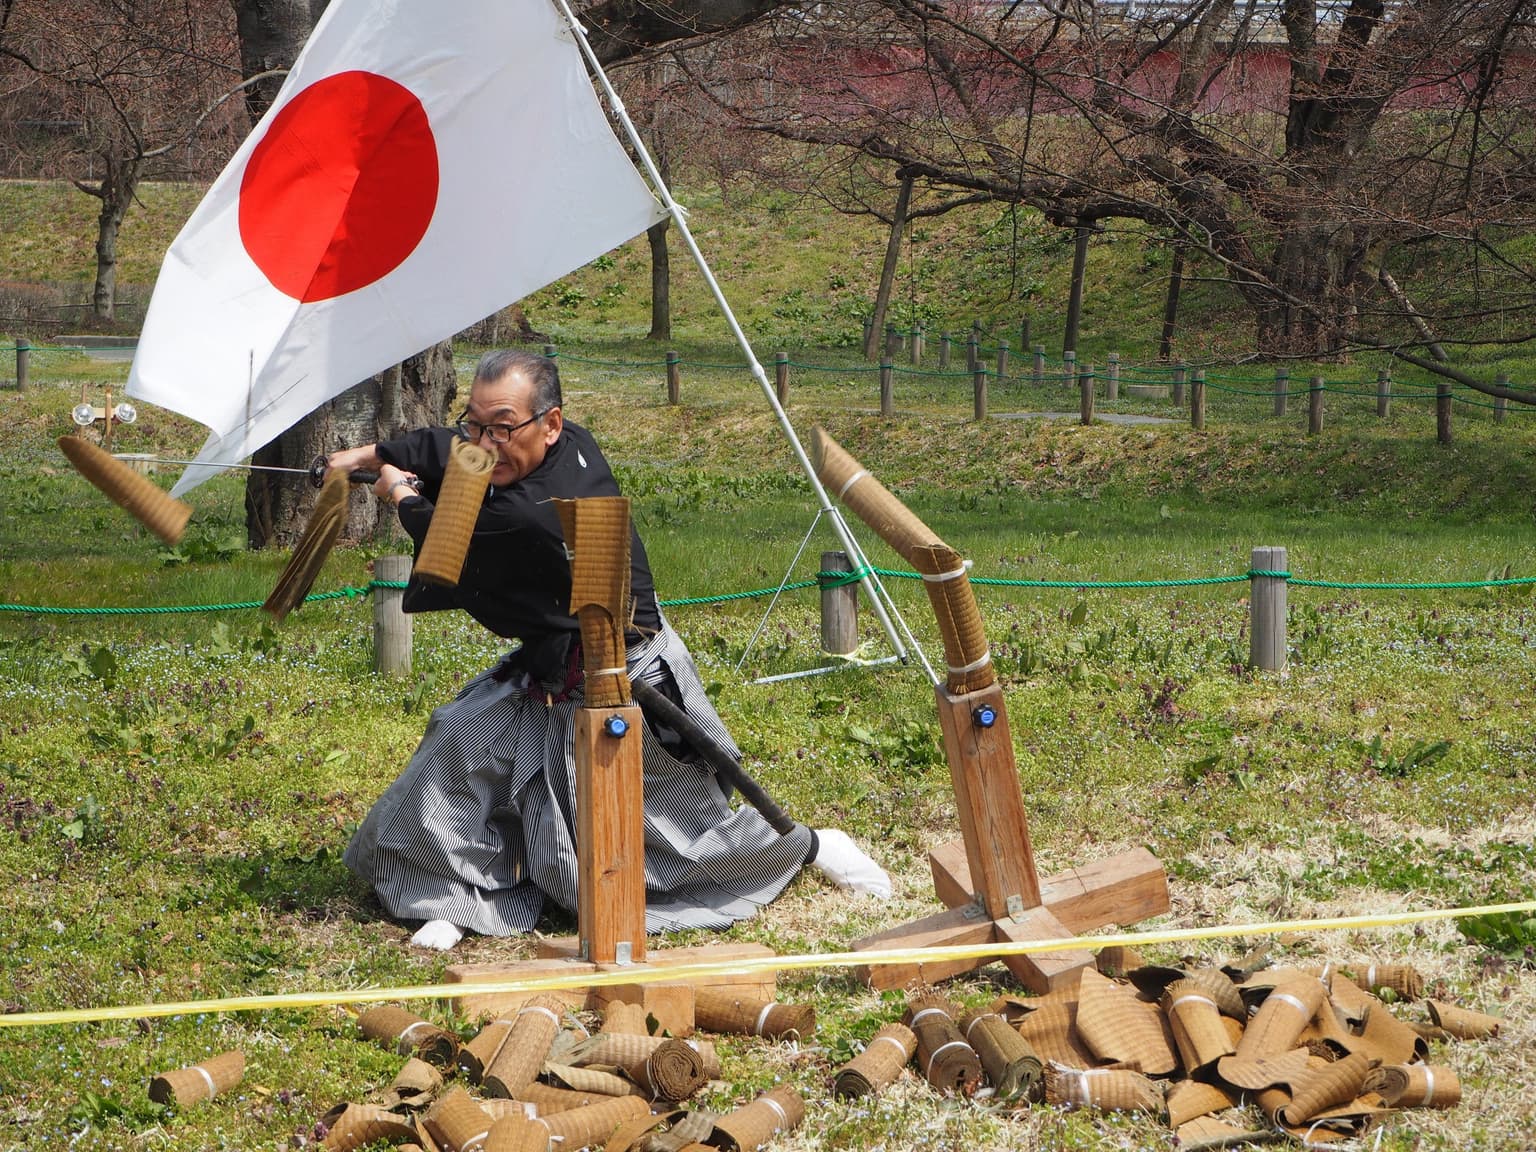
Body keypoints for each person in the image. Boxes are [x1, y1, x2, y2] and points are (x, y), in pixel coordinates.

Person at [329, 349, 889, 950]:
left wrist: (401, 495)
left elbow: (452, 541)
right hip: (551, 668)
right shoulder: (555, 445)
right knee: (455, 745)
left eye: (502, 427)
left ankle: (810, 846)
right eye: (476, 424)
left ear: (550, 423)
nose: (486, 443)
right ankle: (455, 897)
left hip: (628, 679)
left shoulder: (535, 511)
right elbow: (453, 451)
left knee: (669, 841)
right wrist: (375, 454)